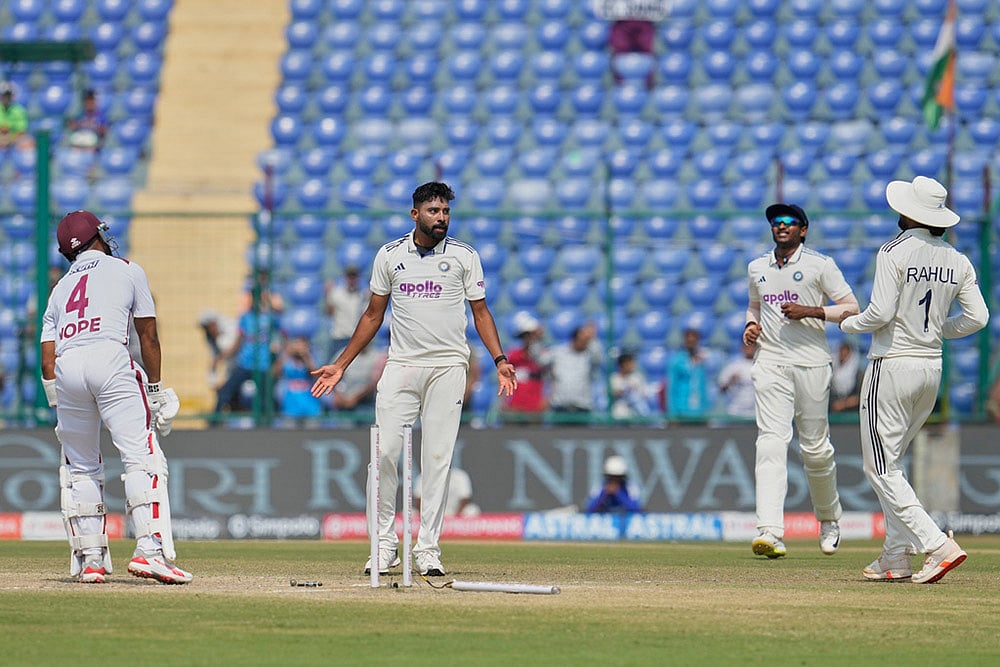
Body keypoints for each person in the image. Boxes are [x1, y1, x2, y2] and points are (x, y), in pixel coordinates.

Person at [310, 182, 517, 578]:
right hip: (402, 364)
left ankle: (428, 549)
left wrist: (500, 359)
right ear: (415, 214)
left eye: (445, 212)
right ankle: (385, 545)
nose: (441, 218)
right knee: (383, 454)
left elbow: (482, 312)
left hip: (448, 367)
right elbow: (372, 315)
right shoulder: (389, 256)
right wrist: (341, 365)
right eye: (433, 211)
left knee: (437, 460)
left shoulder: (463, 256)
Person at [840, 176, 989, 583]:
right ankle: (895, 555)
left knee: (880, 468)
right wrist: (940, 330)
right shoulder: (957, 259)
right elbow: (979, 318)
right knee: (893, 464)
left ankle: (937, 545)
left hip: (891, 365)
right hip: (930, 368)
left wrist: (849, 324)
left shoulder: (894, 250)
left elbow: (880, 313)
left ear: (909, 213)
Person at [39, 210, 191, 584]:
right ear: (98, 236)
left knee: (82, 466)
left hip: (67, 367)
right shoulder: (126, 269)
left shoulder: (58, 289)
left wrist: (59, 402)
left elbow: (47, 353)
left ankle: (92, 559)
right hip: (110, 358)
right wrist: (154, 390)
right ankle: (149, 552)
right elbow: (148, 336)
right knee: (141, 457)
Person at [743, 203, 860, 559]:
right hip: (771, 363)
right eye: (776, 222)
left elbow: (852, 308)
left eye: (789, 222)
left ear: (803, 230)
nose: (781, 226)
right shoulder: (757, 267)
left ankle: (828, 519)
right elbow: (754, 306)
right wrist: (750, 326)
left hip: (811, 363)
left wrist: (811, 311)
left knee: (815, 450)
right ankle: (770, 531)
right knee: (770, 443)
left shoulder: (819, 265)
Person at [215, 276, 282, 417]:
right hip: (245, 363)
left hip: (263, 365)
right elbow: (238, 342)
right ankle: (215, 422)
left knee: (267, 399)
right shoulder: (246, 318)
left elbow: (281, 337)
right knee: (225, 393)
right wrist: (223, 356)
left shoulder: (270, 319)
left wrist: (278, 360)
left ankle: (270, 425)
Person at [544, 321, 603, 416]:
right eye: (582, 340)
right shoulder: (558, 352)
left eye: (587, 341)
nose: (585, 343)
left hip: (582, 407)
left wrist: (592, 337)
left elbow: (598, 358)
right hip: (560, 406)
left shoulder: (589, 355)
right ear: (574, 339)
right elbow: (541, 361)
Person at [501, 312, 547, 419]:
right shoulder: (513, 355)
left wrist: (546, 401)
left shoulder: (544, 357)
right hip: (514, 407)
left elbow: (550, 380)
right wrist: (503, 401)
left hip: (535, 409)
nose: (529, 339)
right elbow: (505, 378)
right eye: (526, 335)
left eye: (532, 335)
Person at [330, 339, 387, 425]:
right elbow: (333, 375)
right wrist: (338, 395)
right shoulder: (342, 354)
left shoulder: (377, 356)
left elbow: (374, 383)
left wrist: (355, 398)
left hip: (366, 403)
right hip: (343, 401)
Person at [272, 336, 322, 424]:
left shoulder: (312, 358)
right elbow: (274, 373)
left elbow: (316, 374)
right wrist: (287, 353)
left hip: (311, 409)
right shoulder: (287, 360)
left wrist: (305, 355)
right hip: (290, 409)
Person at [325, 264, 369, 361]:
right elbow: (329, 312)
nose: (352, 279)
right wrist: (327, 295)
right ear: (345, 277)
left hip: (353, 338)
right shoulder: (336, 293)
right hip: (338, 337)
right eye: (350, 276)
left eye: (354, 276)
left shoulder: (363, 296)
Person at [667, 327, 711, 420]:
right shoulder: (677, 361)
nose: (691, 343)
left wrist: (704, 409)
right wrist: (672, 413)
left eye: (694, 341)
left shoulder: (700, 361)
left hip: (698, 409)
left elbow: (702, 385)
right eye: (689, 341)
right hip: (682, 408)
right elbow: (672, 387)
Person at [414, 466, 481, 517]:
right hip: (430, 517)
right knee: (410, 513)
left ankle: (464, 534)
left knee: (472, 510)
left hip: (455, 514)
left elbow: (465, 499)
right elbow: (418, 500)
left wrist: (456, 516)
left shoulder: (460, 476)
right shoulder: (424, 476)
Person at [716, 341, 756, 420]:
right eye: (747, 346)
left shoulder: (761, 366)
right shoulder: (734, 366)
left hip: (754, 412)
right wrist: (731, 381)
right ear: (742, 348)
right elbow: (721, 388)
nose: (749, 349)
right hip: (735, 410)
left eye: (752, 347)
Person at [610, 351, 653, 420]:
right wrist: (623, 390)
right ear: (623, 365)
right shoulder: (614, 378)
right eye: (630, 363)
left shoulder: (637, 378)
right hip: (619, 412)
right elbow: (612, 394)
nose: (632, 366)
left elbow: (644, 394)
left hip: (636, 413)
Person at [830, 340, 863, 413]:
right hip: (833, 408)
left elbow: (861, 396)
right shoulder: (831, 370)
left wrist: (844, 404)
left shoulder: (858, 372)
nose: (842, 355)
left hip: (852, 412)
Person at [0, 82, 29, 149]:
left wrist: (10, 139)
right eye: (4, 95)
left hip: (15, 140)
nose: (6, 97)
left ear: (12, 96)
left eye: (8, 95)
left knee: (27, 143)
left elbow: (22, 130)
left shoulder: (19, 110)